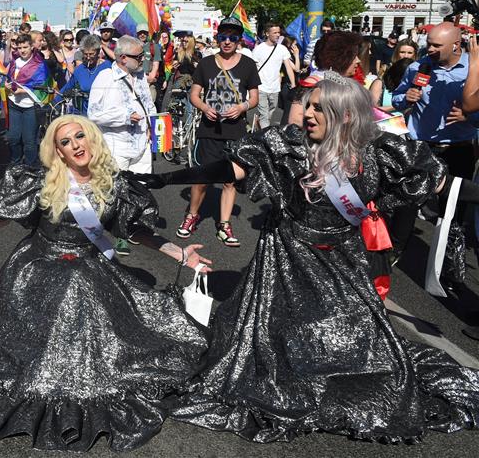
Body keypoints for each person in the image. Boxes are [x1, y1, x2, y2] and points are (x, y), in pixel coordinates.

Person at [139, 74, 479, 442]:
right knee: (271, 342)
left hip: (343, 258)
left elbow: (447, 186)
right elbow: (228, 170)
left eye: (319, 107)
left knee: (365, 346)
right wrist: (168, 178)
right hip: (286, 256)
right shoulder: (289, 147)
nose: (308, 113)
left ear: (346, 115)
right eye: (309, 105)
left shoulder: (379, 151)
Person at [0, 115, 212, 452]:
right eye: (66, 142)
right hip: (36, 265)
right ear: (58, 152)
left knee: (97, 305)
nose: (76, 146)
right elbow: (2, 217)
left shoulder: (114, 185)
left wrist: (180, 253)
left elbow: (136, 231)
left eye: (79, 137)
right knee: (64, 297)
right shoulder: (44, 181)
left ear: (92, 139)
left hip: (87, 264)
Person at [176, 17, 259, 248]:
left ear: (239, 40)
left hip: (236, 131)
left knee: (229, 181)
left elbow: (254, 98)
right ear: (217, 38)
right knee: (201, 178)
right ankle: (192, 215)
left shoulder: (248, 65)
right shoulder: (206, 64)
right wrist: (204, 107)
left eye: (232, 37)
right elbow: (194, 94)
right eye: (223, 37)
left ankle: (224, 224)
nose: (227, 41)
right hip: (209, 130)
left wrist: (242, 107)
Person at [392, 22, 479, 180]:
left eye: (437, 46)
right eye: (428, 44)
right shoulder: (417, 67)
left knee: (455, 202)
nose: (430, 49)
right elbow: (396, 99)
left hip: (458, 150)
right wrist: (406, 98)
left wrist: (469, 116)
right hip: (422, 148)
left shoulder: (473, 68)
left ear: (456, 45)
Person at [88, 34, 156, 175]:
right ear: (123, 58)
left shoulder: (140, 76)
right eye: (138, 57)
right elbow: (93, 114)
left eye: (143, 55)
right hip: (116, 150)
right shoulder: (105, 77)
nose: (142, 59)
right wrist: (125, 117)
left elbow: (148, 104)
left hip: (142, 147)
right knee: (116, 192)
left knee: (141, 191)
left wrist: (152, 126)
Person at [287, 30, 362, 126]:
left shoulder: (348, 84)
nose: (358, 60)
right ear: (340, 58)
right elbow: (295, 123)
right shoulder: (312, 84)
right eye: (354, 56)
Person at [5, 32, 48, 167]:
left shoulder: (39, 64)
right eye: (20, 48)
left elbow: (42, 86)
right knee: (13, 138)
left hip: (30, 106)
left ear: (31, 47)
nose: (22, 50)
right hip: (14, 105)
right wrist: (6, 85)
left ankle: (31, 168)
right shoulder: (14, 62)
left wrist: (21, 90)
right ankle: (15, 165)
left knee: (29, 140)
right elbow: (9, 79)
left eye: (25, 47)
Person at [252, 23, 295, 129]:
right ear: (267, 34)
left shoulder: (282, 49)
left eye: (278, 32)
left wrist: (293, 83)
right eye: (274, 33)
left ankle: (260, 124)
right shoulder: (259, 49)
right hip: (261, 87)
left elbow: (288, 67)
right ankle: (265, 136)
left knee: (271, 111)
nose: (277, 35)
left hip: (275, 87)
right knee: (265, 116)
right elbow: (252, 68)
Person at [56, 34, 111, 115]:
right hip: (86, 113)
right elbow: (67, 87)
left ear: (98, 52)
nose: (88, 57)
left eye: (91, 54)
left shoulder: (107, 66)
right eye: (85, 54)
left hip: (104, 113)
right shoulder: (80, 70)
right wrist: (53, 103)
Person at [137, 28, 161, 101]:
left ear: (148, 34)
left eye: (144, 33)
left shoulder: (154, 46)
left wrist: (150, 77)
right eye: (140, 33)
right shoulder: (133, 46)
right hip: (136, 80)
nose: (142, 35)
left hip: (149, 80)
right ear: (137, 34)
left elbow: (156, 65)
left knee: (150, 102)